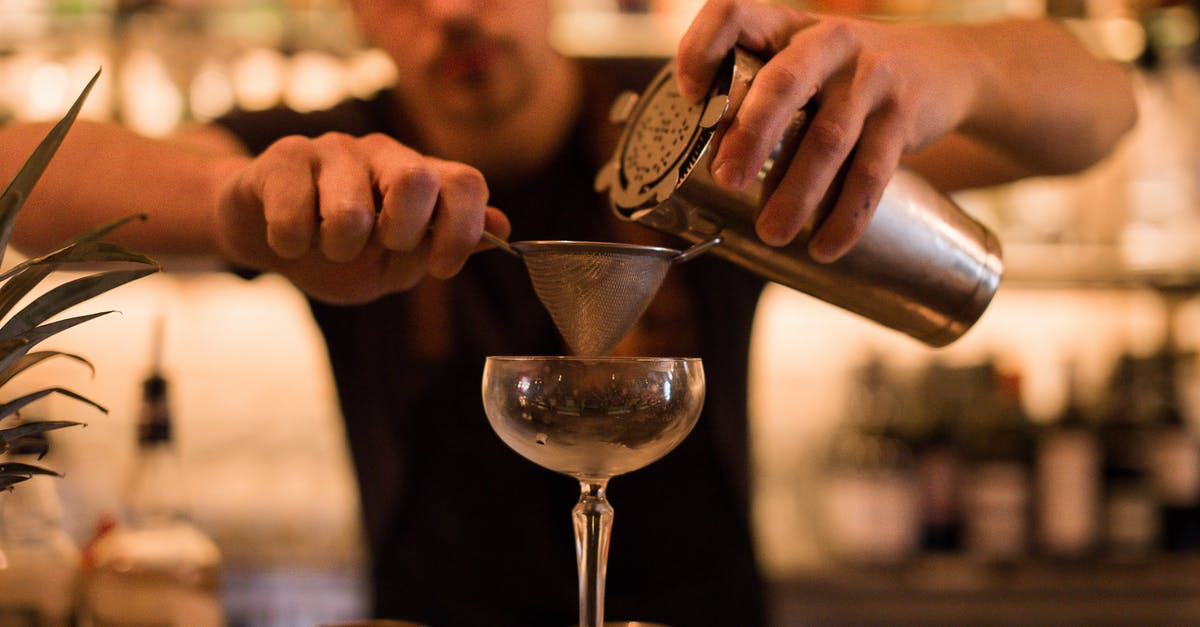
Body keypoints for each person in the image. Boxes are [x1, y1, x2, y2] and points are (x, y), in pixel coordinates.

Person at [0, 0, 1136, 624]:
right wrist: (236, 208)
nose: (453, 11)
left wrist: (958, 63)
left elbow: (1103, 108)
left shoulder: (723, 124)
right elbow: (25, 178)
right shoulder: (338, 161)